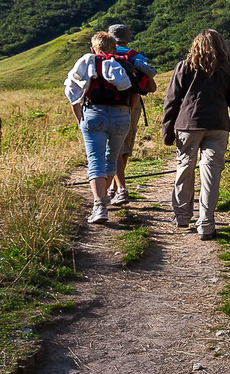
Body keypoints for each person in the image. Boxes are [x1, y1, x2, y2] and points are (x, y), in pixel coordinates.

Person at [161, 28, 230, 240]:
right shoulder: (227, 70)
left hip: (188, 126)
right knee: (211, 174)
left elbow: (171, 102)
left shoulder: (184, 67)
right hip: (218, 126)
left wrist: (167, 133)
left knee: (185, 168)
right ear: (220, 46)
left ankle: (182, 217)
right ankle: (206, 224)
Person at [63, 30, 134, 224]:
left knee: (95, 160)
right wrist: (127, 114)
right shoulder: (123, 63)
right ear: (114, 47)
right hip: (121, 116)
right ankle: (104, 199)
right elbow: (135, 92)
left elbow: (72, 93)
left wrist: (81, 121)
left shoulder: (88, 62)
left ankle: (99, 206)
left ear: (93, 48)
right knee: (112, 158)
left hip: (94, 114)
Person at [108, 23, 158, 207]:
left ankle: (117, 188)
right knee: (125, 146)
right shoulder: (136, 56)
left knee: (114, 148)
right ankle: (115, 187)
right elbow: (150, 86)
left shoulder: (103, 54)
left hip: (108, 105)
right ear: (127, 38)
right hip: (132, 104)